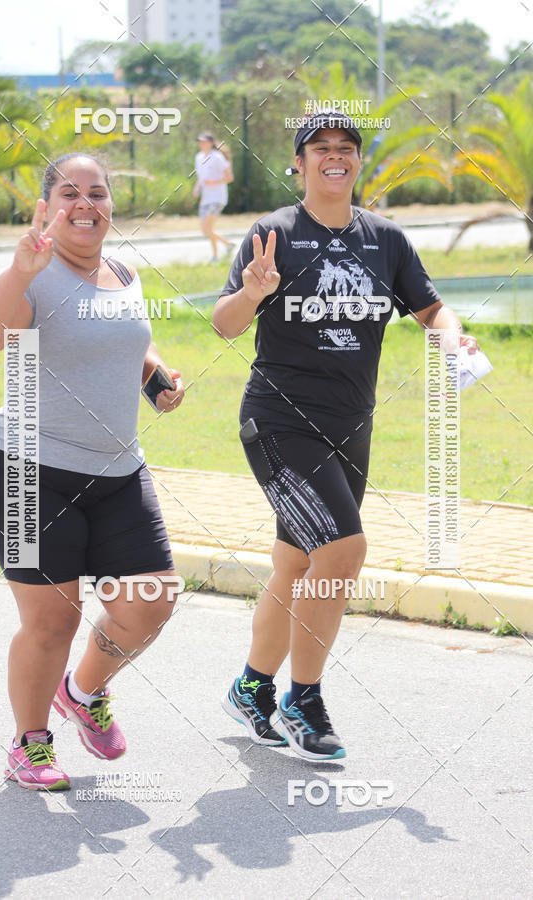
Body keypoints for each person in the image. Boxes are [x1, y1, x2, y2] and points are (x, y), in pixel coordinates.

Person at [213, 114, 478, 761]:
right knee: (342, 550)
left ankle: (251, 688)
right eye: (320, 148)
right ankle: (302, 701)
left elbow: (431, 307)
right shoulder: (273, 234)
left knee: (297, 563)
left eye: (346, 148)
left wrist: (452, 337)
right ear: (299, 163)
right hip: (279, 423)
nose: (335, 157)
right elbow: (224, 324)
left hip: (350, 426)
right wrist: (252, 292)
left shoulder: (385, 239)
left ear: (358, 162)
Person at [0, 152, 185, 791]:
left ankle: (82, 690)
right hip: (26, 468)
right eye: (70, 193)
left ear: (111, 204)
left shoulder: (123, 271)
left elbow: (131, 340)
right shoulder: (34, 274)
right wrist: (17, 272)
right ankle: (30, 743)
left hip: (116, 469)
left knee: (152, 599)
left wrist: (156, 380)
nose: (86, 203)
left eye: (98, 192)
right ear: (48, 206)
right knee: (53, 619)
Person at [193, 131, 235, 262]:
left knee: (209, 228)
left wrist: (213, 183)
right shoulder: (198, 157)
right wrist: (197, 188)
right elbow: (201, 177)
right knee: (205, 231)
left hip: (217, 198)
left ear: (210, 143)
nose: (201, 144)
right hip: (205, 199)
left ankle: (215, 256)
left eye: (204, 142)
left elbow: (229, 177)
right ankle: (228, 244)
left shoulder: (217, 157)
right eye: (200, 142)